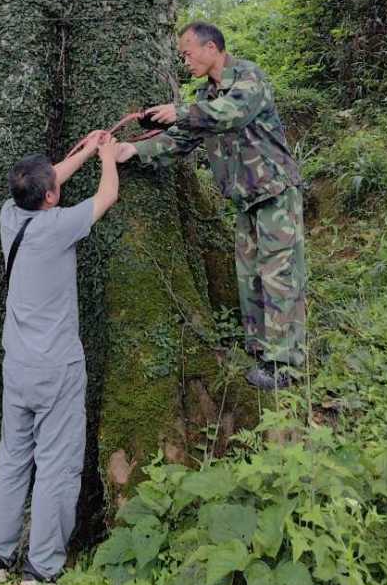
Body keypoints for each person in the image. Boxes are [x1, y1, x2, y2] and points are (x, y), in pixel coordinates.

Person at [102, 21, 306, 392]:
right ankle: (261, 352)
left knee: (280, 276)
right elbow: (180, 140)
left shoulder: (247, 78)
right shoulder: (205, 97)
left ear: (211, 48)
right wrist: (133, 150)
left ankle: (285, 366)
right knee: (250, 278)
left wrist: (179, 110)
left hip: (275, 193)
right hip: (246, 199)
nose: (185, 60)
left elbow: (232, 113)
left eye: (187, 52)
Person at [0, 131, 122, 585]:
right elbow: (108, 195)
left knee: (13, 458)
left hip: (17, 365)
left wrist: (81, 150)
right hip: (56, 369)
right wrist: (105, 157)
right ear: (49, 197)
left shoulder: (10, 215)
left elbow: (49, 179)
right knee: (57, 464)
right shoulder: (59, 226)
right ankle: (41, 566)